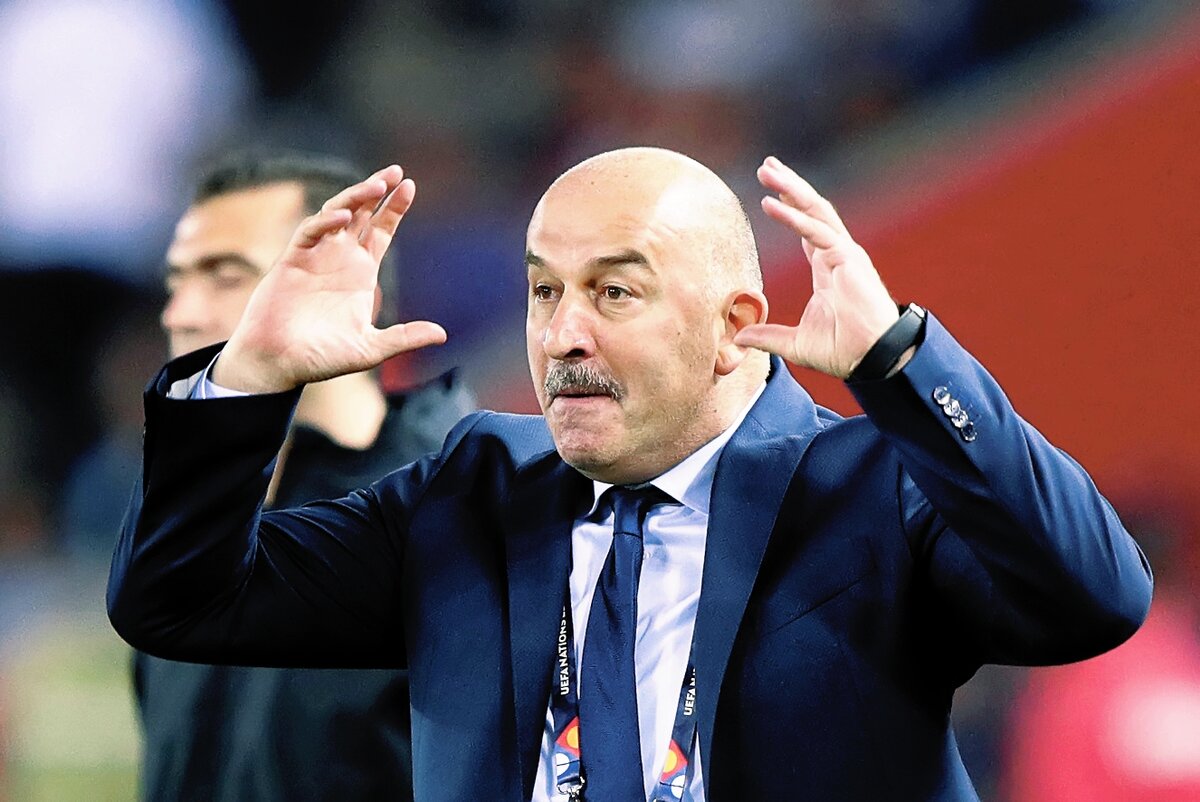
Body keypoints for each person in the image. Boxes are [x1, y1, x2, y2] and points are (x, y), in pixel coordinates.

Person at [108, 148, 1152, 801]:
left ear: (734, 326)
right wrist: (249, 379)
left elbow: (1094, 599)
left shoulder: (864, 484)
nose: (562, 334)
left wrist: (900, 364)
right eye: (543, 291)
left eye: (614, 293)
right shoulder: (470, 490)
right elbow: (177, 600)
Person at [131, 151, 475, 802]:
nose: (180, 313)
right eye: (177, 280)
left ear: (353, 291)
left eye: (226, 276)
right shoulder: (183, 510)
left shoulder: (454, 514)